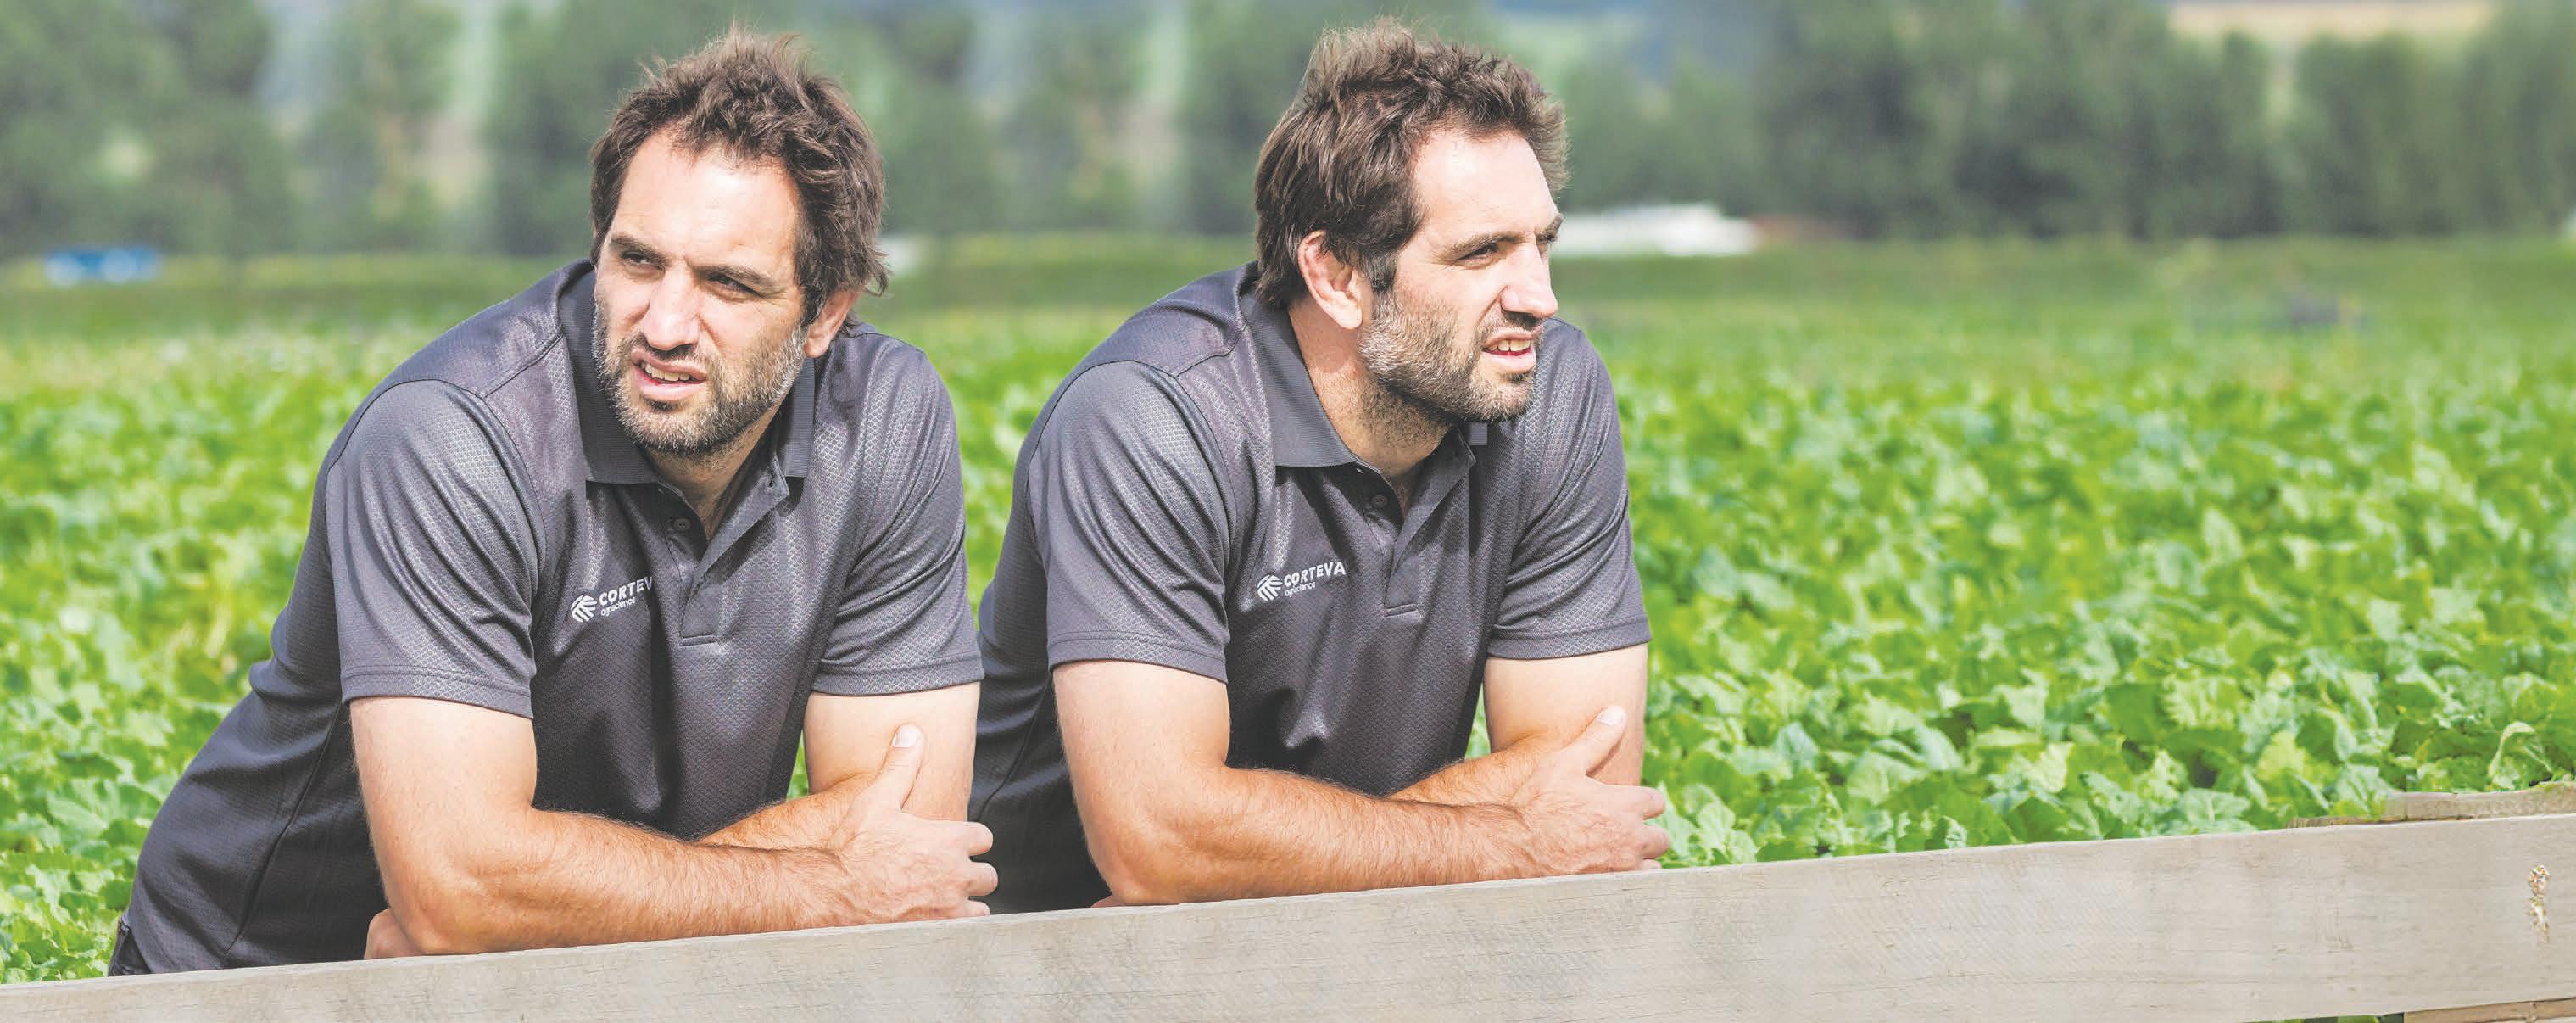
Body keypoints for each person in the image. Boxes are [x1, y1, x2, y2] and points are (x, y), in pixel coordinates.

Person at [110, 31, 995, 974]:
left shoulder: (885, 418)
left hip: (557, 972)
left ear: (826, 313)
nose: (665, 325)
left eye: (728, 284)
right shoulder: (450, 438)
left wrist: (536, 908)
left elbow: (910, 827)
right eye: (639, 262)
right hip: (255, 977)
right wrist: (826, 888)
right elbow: (458, 891)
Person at [969, 22, 1669, 912]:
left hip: (1377, 923)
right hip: (1052, 945)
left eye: (1542, 243)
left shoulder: (1548, 391)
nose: (1540, 298)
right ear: (1336, 275)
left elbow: (1591, 781)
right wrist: (1510, 838)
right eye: (1483, 252)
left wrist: (1254, 853)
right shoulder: (1150, 418)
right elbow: (1158, 842)